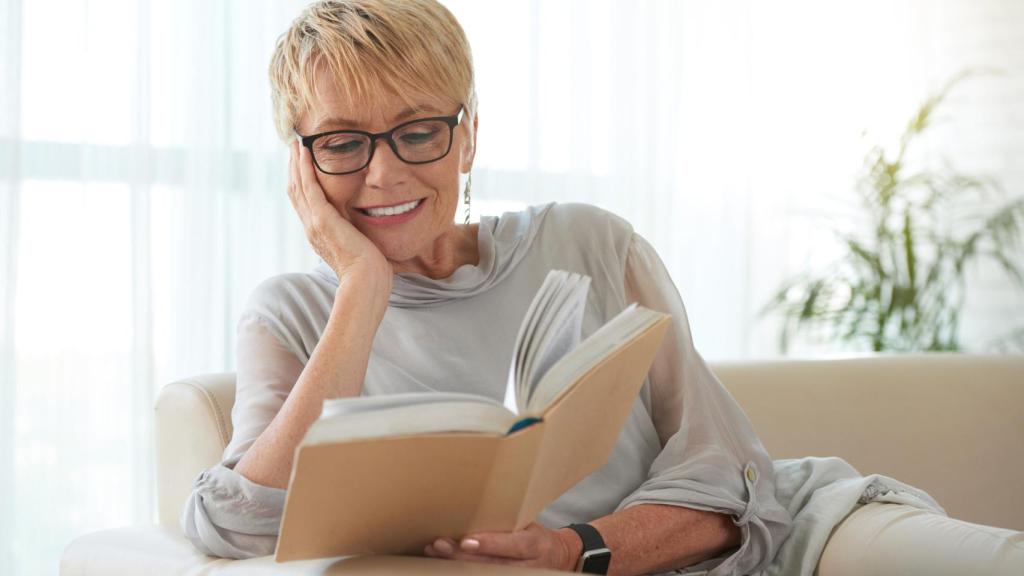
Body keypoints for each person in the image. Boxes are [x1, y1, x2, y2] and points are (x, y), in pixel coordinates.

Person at [181, 1, 795, 574]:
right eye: (342, 143)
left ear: (468, 136)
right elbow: (236, 528)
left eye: (418, 132)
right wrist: (363, 289)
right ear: (301, 166)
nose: (385, 174)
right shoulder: (289, 312)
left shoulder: (592, 244)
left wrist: (568, 550)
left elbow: (733, 481)